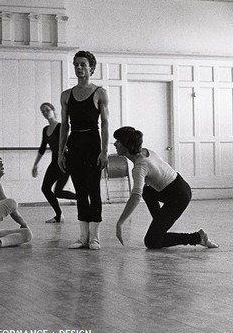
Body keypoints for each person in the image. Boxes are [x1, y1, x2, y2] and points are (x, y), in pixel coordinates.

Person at [113, 126, 218, 250]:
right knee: (147, 190)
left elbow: (135, 197)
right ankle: (160, 225)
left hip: (178, 197)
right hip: (179, 186)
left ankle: (197, 238)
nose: (115, 144)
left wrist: (120, 223)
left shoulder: (140, 168)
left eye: (118, 141)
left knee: (151, 242)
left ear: (126, 145)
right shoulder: (146, 152)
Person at [58, 50, 109, 249]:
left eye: (83, 64)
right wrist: (61, 152)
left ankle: (95, 236)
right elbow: (64, 125)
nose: (79, 68)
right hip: (75, 143)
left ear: (92, 68)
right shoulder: (66, 95)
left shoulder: (100, 93)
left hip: (92, 143)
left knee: (93, 190)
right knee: (80, 191)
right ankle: (83, 236)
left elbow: (105, 124)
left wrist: (104, 151)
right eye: (76, 64)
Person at [32, 102, 76, 223]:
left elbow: (70, 143)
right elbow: (42, 148)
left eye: (47, 110)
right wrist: (35, 165)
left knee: (59, 192)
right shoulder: (45, 129)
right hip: (54, 161)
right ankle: (59, 215)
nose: (45, 113)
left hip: (65, 161)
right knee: (45, 188)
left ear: (53, 110)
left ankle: (82, 198)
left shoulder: (61, 126)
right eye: (43, 111)